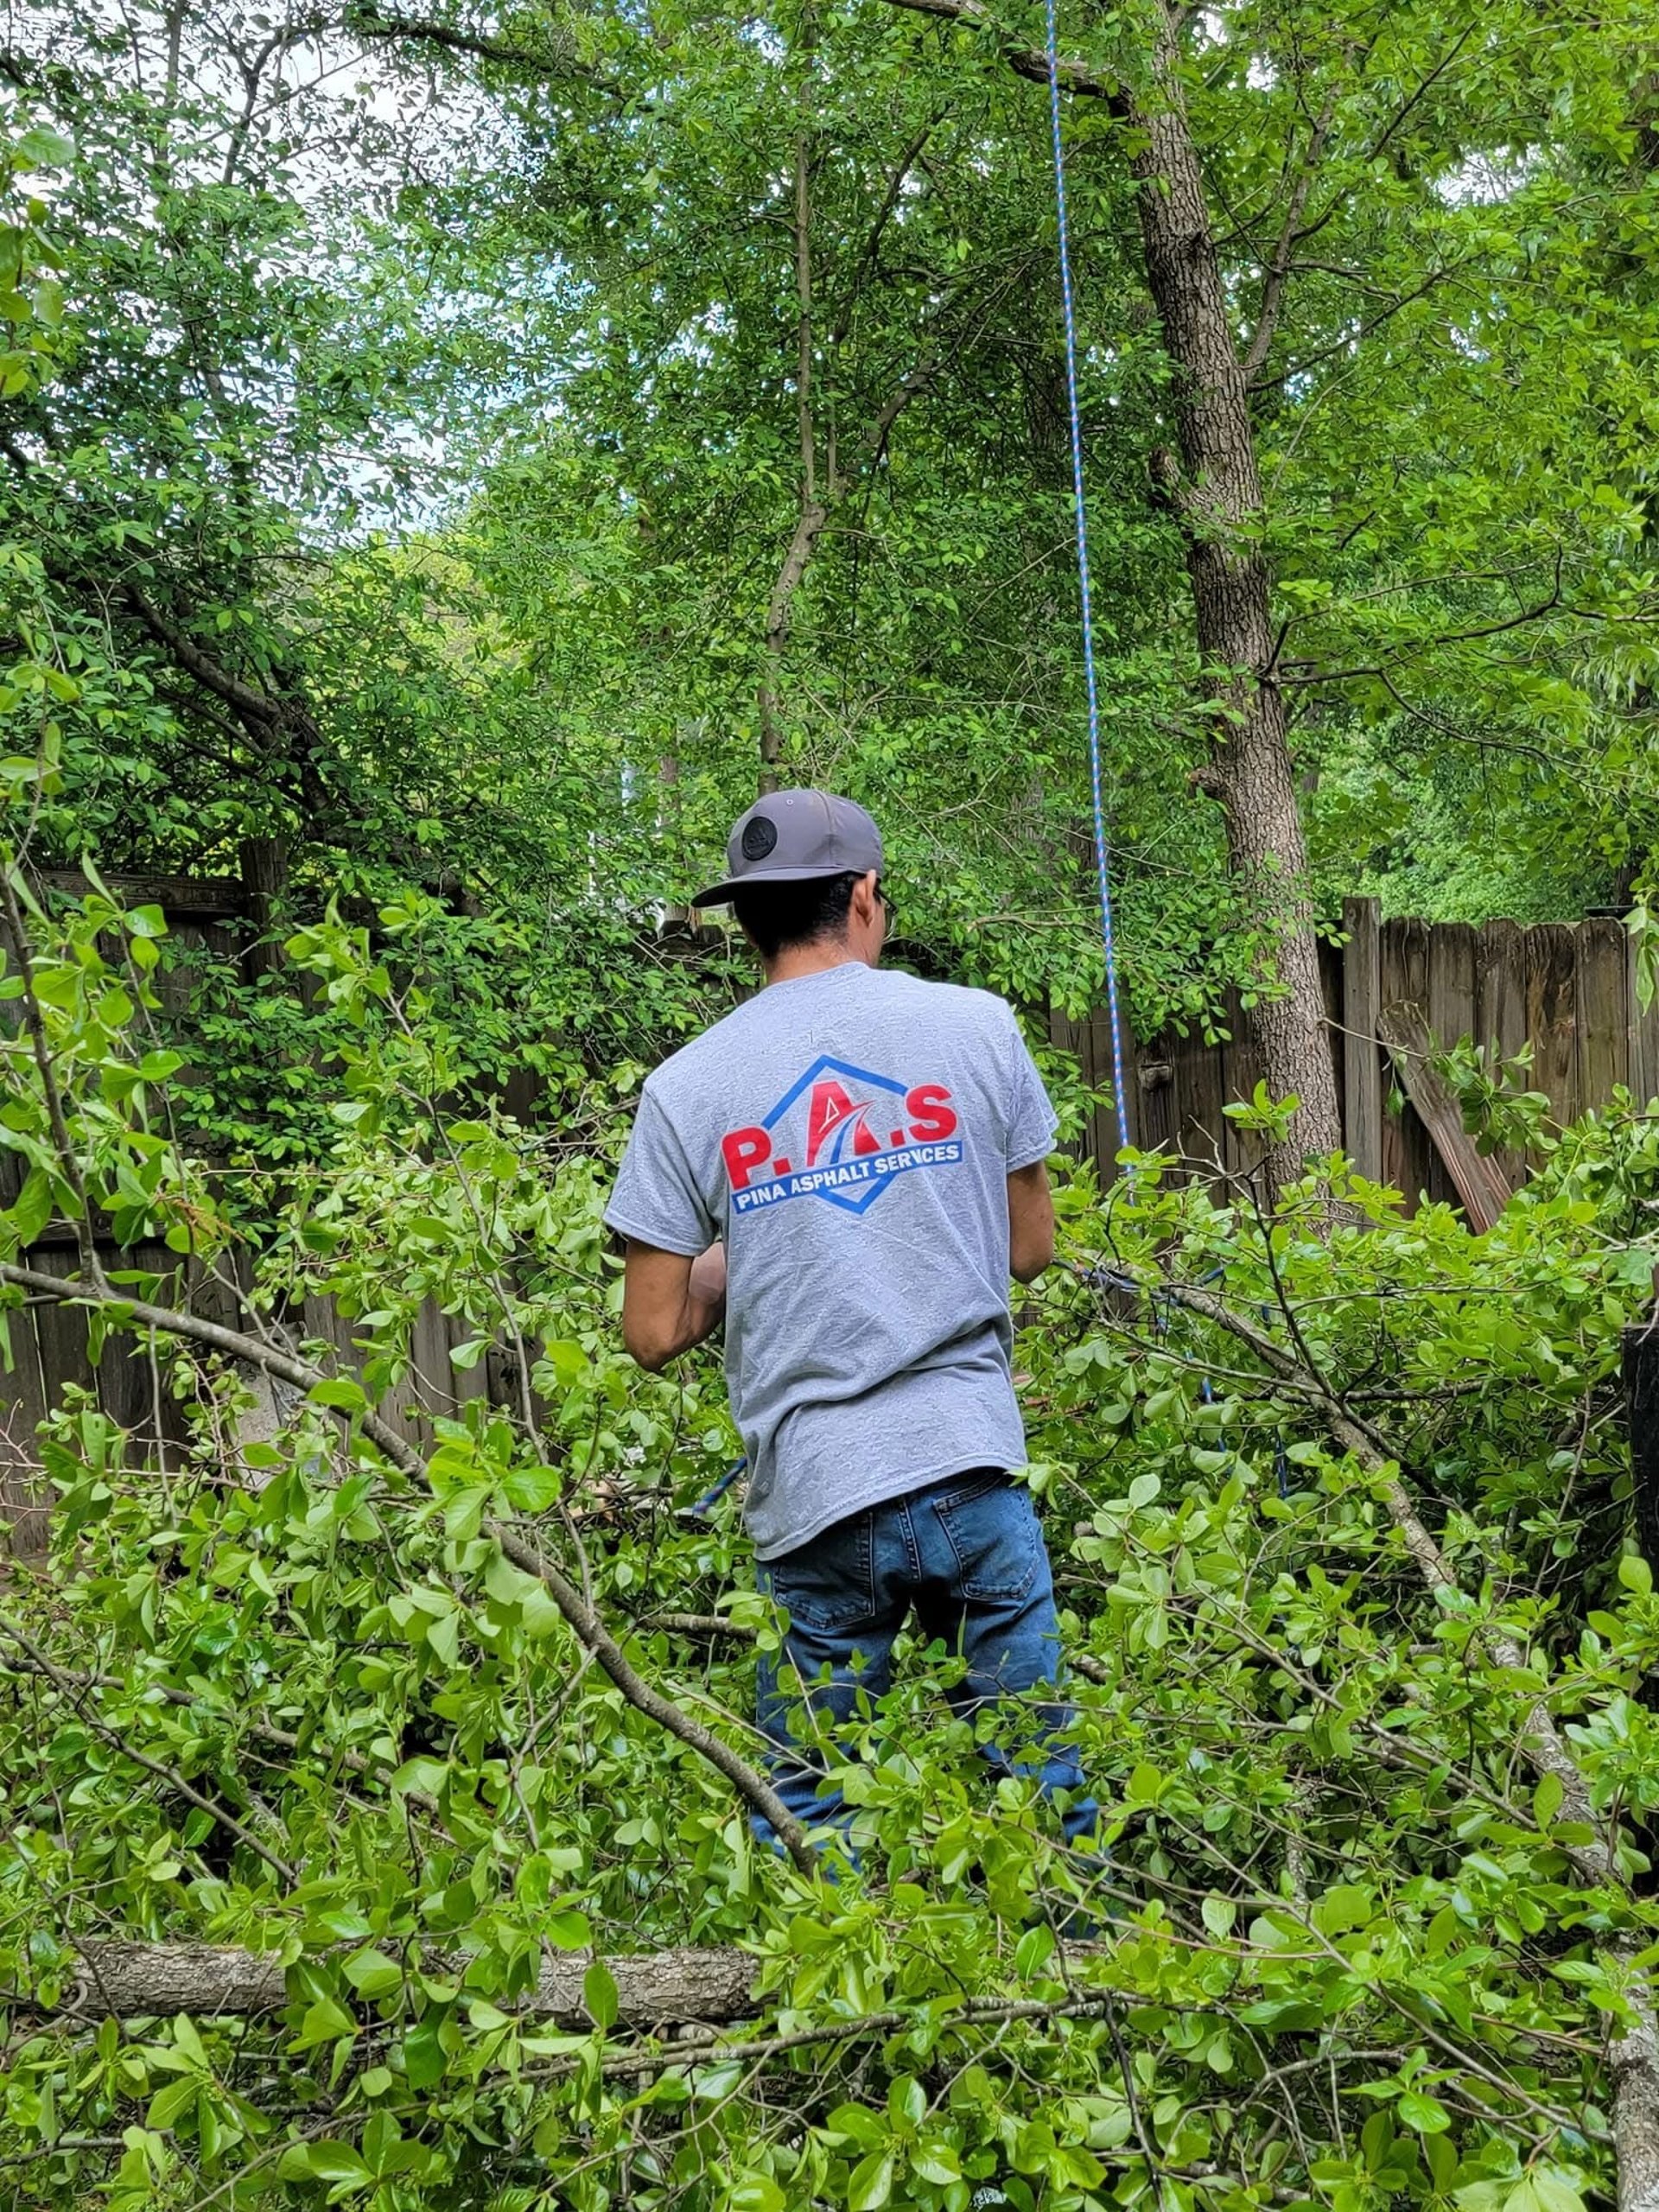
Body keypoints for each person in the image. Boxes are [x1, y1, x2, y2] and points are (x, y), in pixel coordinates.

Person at [604, 788, 1097, 1859]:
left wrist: (752, 1244)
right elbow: (1030, 1247)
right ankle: (1086, 1994)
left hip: (818, 1500)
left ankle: (834, 2018)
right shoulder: (978, 1025)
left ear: (744, 920)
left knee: (814, 1813)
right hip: (970, 1465)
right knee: (1043, 1793)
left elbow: (648, 1330)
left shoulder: (688, 1086)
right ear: (865, 895)